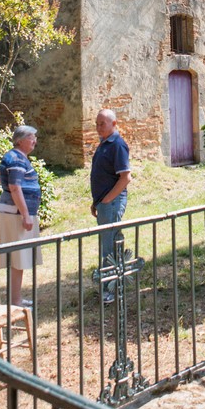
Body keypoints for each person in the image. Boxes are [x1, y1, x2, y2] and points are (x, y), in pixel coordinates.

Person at [0, 125, 43, 306]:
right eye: (31, 138)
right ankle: (15, 301)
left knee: (18, 259)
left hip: (13, 213)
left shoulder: (15, 157)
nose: (34, 141)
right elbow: (15, 187)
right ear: (20, 140)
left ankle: (16, 298)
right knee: (18, 258)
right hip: (15, 215)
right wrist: (25, 215)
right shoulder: (16, 159)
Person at [90, 109, 131, 301]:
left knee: (109, 246)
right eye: (97, 124)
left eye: (102, 124)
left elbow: (125, 178)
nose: (98, 127)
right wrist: (97, 202)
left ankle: (110, 290)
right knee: (107, 243)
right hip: (104, 203)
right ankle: (110, 286)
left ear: (114, 124)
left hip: (112, 203)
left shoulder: (117, 145)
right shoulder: (104, 144)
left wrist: (106, 200)